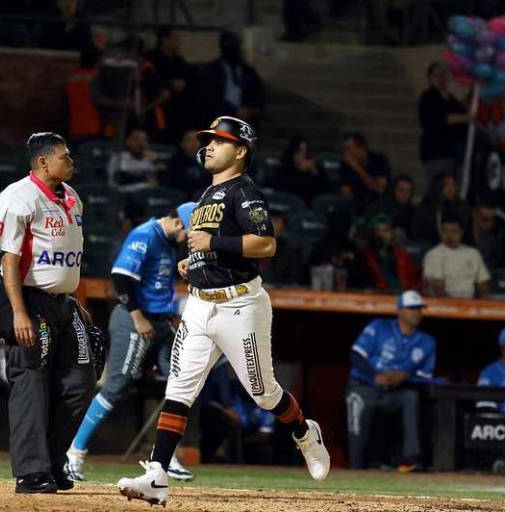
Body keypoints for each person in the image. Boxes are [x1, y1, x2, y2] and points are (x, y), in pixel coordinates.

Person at [117, 116, 329, 507]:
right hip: (199, 303)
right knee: (178, 389)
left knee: (264, 394)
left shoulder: (244, 192)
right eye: (209, 140)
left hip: (240, 305)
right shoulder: (204, 196)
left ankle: (304, 432)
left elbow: (265, 245)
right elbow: (210, 247)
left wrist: (213, 245)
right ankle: (157, 475)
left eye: (220, 140)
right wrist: (192, 262)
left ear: (241, 150)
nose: (210, 145)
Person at [0, 132, 97, 494]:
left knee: (81, 382)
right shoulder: (19, 197)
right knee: (31, 384)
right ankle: (32, 472)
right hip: (30, 301)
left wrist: (75, 298)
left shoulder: (73, 198)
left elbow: (70, 258)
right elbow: (10, 260)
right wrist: (19, 313)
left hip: (64, 303)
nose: (71, 161)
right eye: (65, 156)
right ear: (43, 161)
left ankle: (51, 459)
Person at [64, 203, 195, 483]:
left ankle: (164, 458)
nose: (191, 240)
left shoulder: (171, 244)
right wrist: (138, 317)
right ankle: (73, 453)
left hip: (160, 322)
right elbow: (121, 278)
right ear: (178, 224)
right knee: (117, 385)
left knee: (180, 381)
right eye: (190, 233)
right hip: (135, 319)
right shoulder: (145, 235)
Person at [346, 291, 435, 471]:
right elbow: (356, 355)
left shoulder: (427, 342)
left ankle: (411, 459)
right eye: (412, 308)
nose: (416, 312)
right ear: (400, 310)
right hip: (364, 386)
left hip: (395, 392)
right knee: (358, 403)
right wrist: (375, 377)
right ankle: (355, 467)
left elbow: (426, 376)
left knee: (410, 397)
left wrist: (405, 376)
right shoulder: (379, 327)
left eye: (419, 309)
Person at [199, 357, 276, 465]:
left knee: (264, 448)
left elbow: (264, 433)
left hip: (251, 438)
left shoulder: (265, 404)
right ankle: (231, 464)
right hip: (233, 430)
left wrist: (245, 440)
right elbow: (226, 409)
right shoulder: (236, 394)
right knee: (225, 428)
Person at [418, 63, 471, 185]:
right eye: (437, 75)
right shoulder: (428, 98)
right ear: (430, 78)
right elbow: (441, 119)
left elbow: (462, 112)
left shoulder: (450, 97)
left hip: (454, 151)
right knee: (440, 186)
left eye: (443, 75)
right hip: (436, 151)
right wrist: (466, 118)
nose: (441, 79)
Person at [146, 26, 198, 143]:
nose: (178, 42)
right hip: (158, 108)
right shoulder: (152, 58)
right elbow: (150, 80)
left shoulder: (179, 61)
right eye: (175, 38)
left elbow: (189, 80)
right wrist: (169, 84)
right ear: (165, 40)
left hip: (178, 109)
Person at [201, 32, 265, 126]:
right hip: (220, 116)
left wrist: (250, 109)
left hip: (245, 116)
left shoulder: (247, 71)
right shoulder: (212, 70)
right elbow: (211, 96)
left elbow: (258, 92)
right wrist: (232, 110)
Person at [423, 214, 490, 299]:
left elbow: (483, 284)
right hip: (444, 305)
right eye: (445, 231)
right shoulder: (434, 254)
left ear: (461, 233)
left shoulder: (473, 253)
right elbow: (438, 289)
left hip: (470, 305)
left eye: (454, 231)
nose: (449, 236)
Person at [359, 214, 422, 293]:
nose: (381, 235)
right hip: (379, 297)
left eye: (385, 230)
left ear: (391, 233)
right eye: (377, 231)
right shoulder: (364, 256)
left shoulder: (401, 254)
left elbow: (416, 279)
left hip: (403, 295)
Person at [412, 172, 472, 246]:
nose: (451, 188)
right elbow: (418, 233)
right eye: (447, 185)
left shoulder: (461, 206)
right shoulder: (425, 207)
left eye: (453, 184)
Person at [337, 132, 391, 212]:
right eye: (345, 148)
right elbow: (345, 190)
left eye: (349, 148)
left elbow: (379, 189)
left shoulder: (379, 160)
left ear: (362, 148)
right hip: (355, 200)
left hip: (376, 200)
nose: (346, 152)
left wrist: (358, 168)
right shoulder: (345, 164)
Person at [259, 209, 306, 287]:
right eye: (273, 221)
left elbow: (293, 280)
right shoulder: (246, 244)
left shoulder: (290, 248)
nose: (277, 225)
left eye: (278, 222)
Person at [106, 127, 160, 193]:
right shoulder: (119, 157)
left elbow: (161, 180)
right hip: (124, 196)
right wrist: (145, 178)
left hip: (148, 196)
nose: (140, 143)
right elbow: (121, 179)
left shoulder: (152, 158)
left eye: (144, 140)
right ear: (128, 141)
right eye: (136, 139)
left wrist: (156, 161)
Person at [364, 174, 417, 242]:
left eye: (408, 190)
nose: (404, 193)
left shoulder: (413, 211)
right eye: (401, 189)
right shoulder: (379, 207)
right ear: (394, 189)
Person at [276, 136, 327, 205]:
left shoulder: (314, 167)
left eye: (304, 152)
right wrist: (300, 171)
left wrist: (314, 172)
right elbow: (286, 189)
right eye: (299, 152)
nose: (302, 156)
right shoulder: (286, 168)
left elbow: (325, 189)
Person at [159, 129, 209, 200]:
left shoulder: (206, 160)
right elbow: (173, 184)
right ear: (182, 144)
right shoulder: (175, 162)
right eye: (189, 140)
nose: (194, 143)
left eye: (196, 139)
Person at [469, 201, 505, 270]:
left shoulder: (501, 233)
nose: (490, 224)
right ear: (475, 215)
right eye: (485, 219)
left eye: (492, 220)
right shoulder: (463, 233)